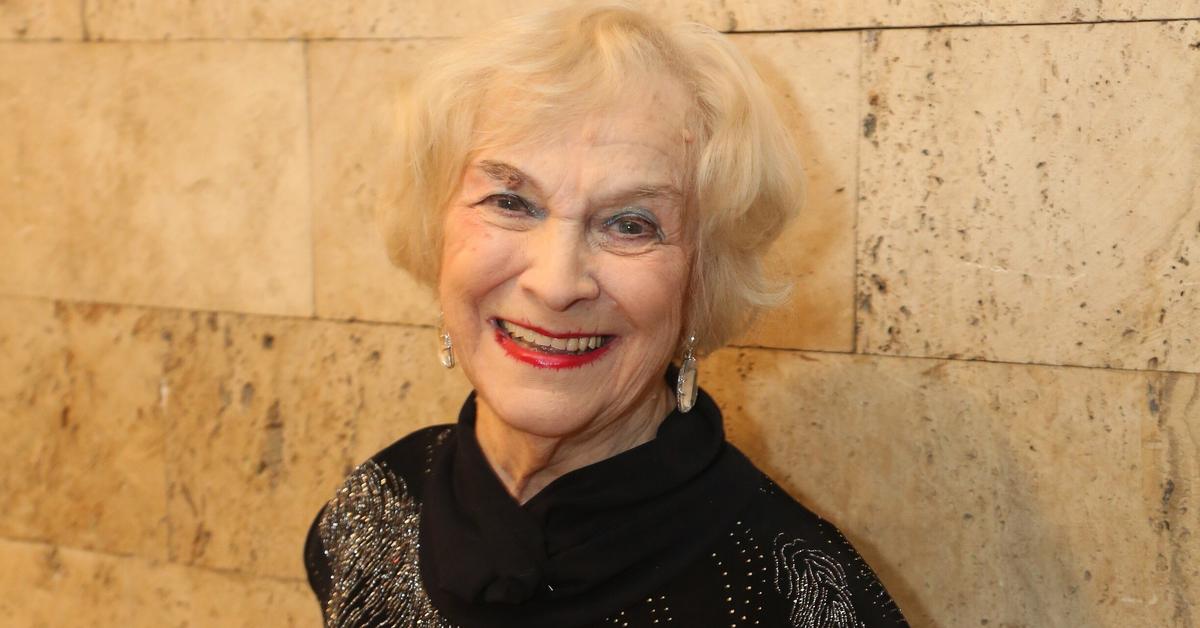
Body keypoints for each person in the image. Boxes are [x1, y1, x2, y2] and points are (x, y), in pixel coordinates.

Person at [304, 3, 909, 626]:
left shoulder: (795, 596)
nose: (556, 285)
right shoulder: (379, 506)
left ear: (702, 282)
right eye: (511, 201)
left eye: (630, 224)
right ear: (436, 231)